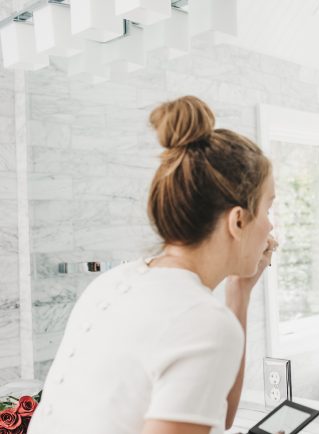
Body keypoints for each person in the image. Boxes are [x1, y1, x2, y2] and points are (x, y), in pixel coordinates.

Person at [29, 96, 277, 434]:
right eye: (267, 209)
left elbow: (217, 414)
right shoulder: (204, 322)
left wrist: (240, 291)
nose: (270, 226)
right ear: (238, 221)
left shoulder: (114, 282)